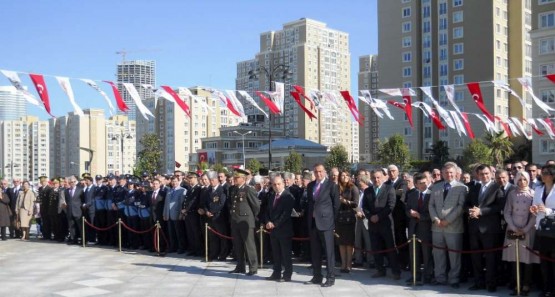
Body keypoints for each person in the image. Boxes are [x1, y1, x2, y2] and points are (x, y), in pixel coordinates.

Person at [466, 164, 505, 292]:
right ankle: (478, 282)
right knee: (476, 257)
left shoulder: (497, 188)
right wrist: (471, 211)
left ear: (491, 174)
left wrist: (481, 211)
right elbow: (466, 204)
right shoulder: (474, 187)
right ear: (478, 175)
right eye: (482, 174)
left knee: (490, 258)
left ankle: (491, 283)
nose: (485, 176)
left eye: (487, 173)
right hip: (474, 228)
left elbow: (498, 207)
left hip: (490, 229)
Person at [428, 162, 468, 288]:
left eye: (451, 172)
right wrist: (436, 219)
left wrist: (447, 220)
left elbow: (460, 207)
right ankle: (440, 277)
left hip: (453, 227)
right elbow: (431, 205)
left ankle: (454, 279)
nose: (449, 174)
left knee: (454, 254)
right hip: (437, 227)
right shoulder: (436, 187)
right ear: (442, 173)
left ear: (456, 173)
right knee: (438, 253)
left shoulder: (462, 188)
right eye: (446, 172)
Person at [304, 163, 340, 287]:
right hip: (313, 223)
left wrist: (332, 221)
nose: (318, 174)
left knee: (329, 252)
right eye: (316, 172)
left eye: (320, 171)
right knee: (315, 251)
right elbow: (309, 203)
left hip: (326, 223)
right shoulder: (310, 186)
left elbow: (336, 205)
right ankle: (317, 276)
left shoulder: (331, 185)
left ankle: (330, 277)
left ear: (325, 172)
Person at [503, 171, 538, 296]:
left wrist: (526, 228)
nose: (522, 182)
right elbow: (507, 212)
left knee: (527, 259)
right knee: (514, 258)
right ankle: (517, 283)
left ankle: (526, 285)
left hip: (527, 229)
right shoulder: (512, 194)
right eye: (519, 179)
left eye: (524, 179)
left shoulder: (533, 194)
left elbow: (535, 214)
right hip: (513, 228)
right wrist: (513, 226)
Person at [362, 169, 400, 280]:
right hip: (373, 225)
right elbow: (364, 207)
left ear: (383, 177)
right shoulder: (368, 191)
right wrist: (370, 217)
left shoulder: (389, 189)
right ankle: (380, 269)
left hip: (386, 224)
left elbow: (391, 206)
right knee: (376, 248)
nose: (376, 180)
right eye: (374, 178)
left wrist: (378, 216)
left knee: (390, 248)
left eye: (378, 177)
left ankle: (395, 271)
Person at [228, 168, 260, 276]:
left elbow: (256, 206)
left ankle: (253, 267)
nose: (235, 179)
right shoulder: (233, 189)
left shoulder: (248, 189)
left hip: (246, 221)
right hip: (235, 221)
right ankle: (240, 266)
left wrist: (251, 218)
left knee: (249, 245)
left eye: (237, 177)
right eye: (234, 177)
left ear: (243, 178)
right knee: (238, 245)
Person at [530, 164, 555, 297]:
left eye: (546, 173)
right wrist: (533, 210)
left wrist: (548, 211)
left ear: (552, 175)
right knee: (544, 262)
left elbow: (548, 210)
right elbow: (535, 207)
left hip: (554, 229)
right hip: (541, 229)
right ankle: (546, 289)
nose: (542, 175)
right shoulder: (538, 189)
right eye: (542, 173)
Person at [264, 175, 295, 282]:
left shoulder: (288, 196)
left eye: (278, 184)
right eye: (274, 184)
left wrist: (274, 224)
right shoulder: (272, 196)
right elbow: (267, 210)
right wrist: (267, 221)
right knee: (275, 253)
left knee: (286, 254)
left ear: (283, 184)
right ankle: (276, 273)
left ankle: (287, 275)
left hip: (284, 230)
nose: (276, 186)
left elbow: (285, 214)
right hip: (273, 230)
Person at [405, 173, 433, 285]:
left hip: (426, 228)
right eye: (420, 183)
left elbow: (432, 213)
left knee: (427, 254)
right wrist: (411, 214)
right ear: (416, 184)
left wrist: (420, 216)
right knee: (413, 253)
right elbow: (406, 210)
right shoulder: (412, 195)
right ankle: (414, 275)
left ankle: (428, 276)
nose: (423, 185)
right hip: (413, 229)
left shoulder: (431, 195)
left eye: (425, 183)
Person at [336, 170, 359, 273]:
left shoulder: (353, 188)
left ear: (349, 177)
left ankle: (349, 264)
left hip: (349, 217)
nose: (344, 177)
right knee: (341, 242)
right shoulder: (337, 188)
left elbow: (355, 203)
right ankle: (343, 263)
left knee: (349, 242)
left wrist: (345, 201)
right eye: (342, 175)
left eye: (346, 175)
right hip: (339, 217)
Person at [203, 172, 229, 261]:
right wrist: (206, 211)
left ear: (217, 180)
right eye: (210, 180)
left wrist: (212, 211)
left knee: (222, 237)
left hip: (219, 217)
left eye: (213, 180)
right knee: (212, 237)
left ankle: (223, 255)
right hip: (210, 217)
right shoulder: (208, 190)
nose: (211, 182)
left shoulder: (222, 190)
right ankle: (213, 254)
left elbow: (221, 204)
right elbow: (205, 203)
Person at [163, 176, 186, 254]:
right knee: (171, 232)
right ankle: (173, 247)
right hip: (169, 215)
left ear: (178, 181)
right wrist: (165, 213)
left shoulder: (182, 190)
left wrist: (181, 214)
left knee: (179, 233)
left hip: (177, 214)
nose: (174, 183)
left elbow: (182, 204)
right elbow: (166, 204)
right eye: (173, 181)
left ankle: (181, 247)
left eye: (175, 181)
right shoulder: (169, 190)